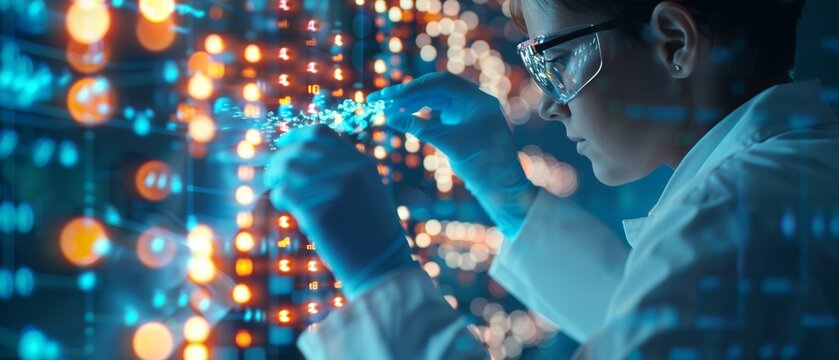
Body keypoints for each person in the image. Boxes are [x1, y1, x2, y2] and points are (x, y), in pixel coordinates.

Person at [264, 0, 839, 358]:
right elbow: (652, 327)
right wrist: (509, 198)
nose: (548, 107)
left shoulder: (732, 221)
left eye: (556, 62)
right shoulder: (787, 181)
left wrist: (380, 277)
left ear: (675, 42)